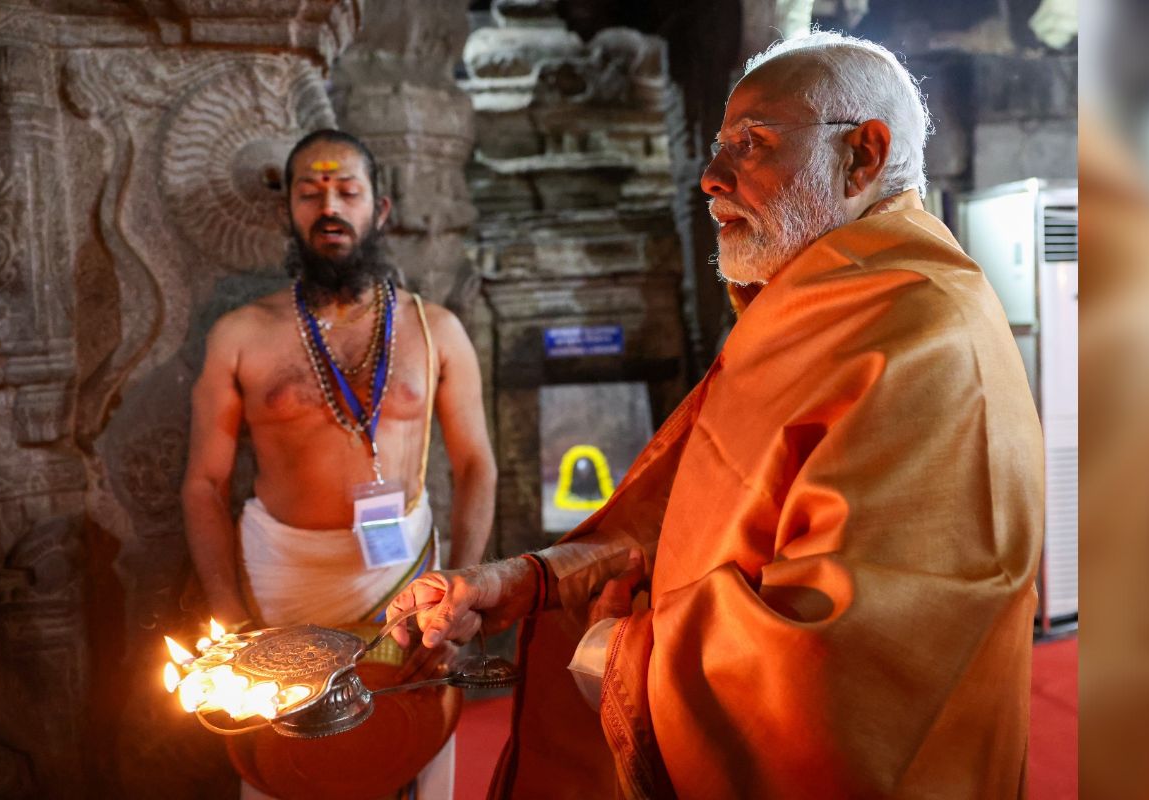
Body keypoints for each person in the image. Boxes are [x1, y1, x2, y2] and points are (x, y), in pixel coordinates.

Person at [386, 30, 1045, 798]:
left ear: (862, 156)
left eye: (753, 143)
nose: (709, 177)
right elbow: (700, 517)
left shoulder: (928, 337)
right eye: (718, 145)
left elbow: (851, 669)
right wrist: (529, 580)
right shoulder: (815, 304)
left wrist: (619, 653)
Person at [181, 129, 496, 799]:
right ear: (287, 213)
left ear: (380, 210)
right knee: (286, 759)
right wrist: (231, 619)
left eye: (347, 191)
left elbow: (476, 468)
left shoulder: (435, 331)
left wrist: (462, 590)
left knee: (412, 742)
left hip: (403, 573)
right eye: (310, 192)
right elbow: (204, 485)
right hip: (283, 580)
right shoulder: (241, 336)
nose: (330, 206)